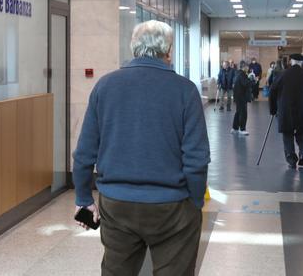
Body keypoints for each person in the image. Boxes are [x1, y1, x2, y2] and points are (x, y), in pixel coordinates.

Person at [73, 20, 210, 275]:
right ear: (168, 51)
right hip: (172, 205)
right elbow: (196, 157)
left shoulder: (105, 86)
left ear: (133, 47)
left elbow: (84, 152)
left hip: (117, 203)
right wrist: (195, 199)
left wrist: (83, 198)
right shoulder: (185, 91)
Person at [269, 54, 303, 168]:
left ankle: (291, 158)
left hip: (286, 109)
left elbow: (272, 90)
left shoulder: (283, 74)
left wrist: (273, 109)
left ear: (291, 62)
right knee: (302, 133)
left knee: (287, 134)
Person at [231, 61, 252, 136]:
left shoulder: (237, 73)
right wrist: (252, 80)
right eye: (247, 67)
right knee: (243, 113)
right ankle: (242, 129)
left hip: (238, 96)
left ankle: (235, 128)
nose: (248, 68)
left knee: (238, 112)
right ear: (244, 67)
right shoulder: (242, 74)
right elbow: (246, 83)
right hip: (242, 97)